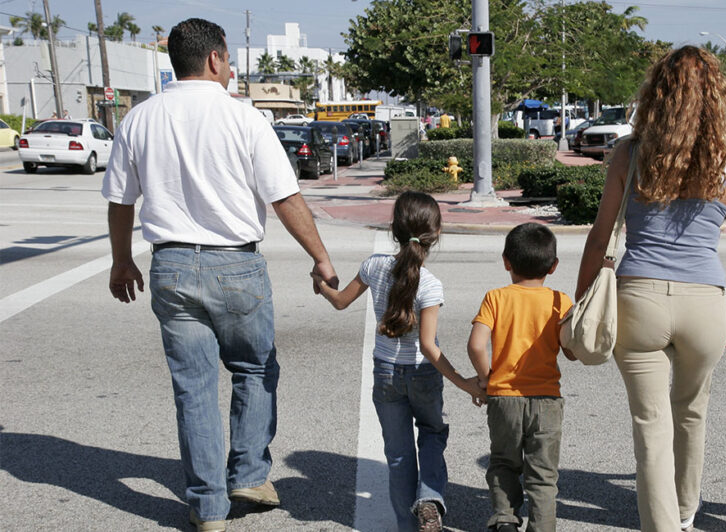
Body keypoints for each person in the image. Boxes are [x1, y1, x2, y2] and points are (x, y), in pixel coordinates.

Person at [102, 18, 338, 532]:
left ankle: (208, 508)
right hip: (236, 263)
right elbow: (284, 197)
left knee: (194, 387)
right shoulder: (245, 119)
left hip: (170, 264)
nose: (230, 68)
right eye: (228, 59)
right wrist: (319, 256)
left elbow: (121, 202)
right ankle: (249, 473)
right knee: (253, 370)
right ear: (214, 59)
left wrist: (123, 259)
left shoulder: (139, 119)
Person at [575, 45, 726, 532]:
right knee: (691, 413)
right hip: (705, 303)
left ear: (656, 94)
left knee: (650, 424)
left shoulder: (630, 154)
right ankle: (684, 514)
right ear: (718, 98)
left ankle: (661, 526)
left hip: (638, 297)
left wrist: (580, 306)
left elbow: (599, 239)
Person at [311, 191, 485, 532]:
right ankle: (430, 499)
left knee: (399, 454)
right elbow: (428, 347)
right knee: (433, 433)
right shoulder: (430, 285)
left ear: (394, 229)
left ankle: (407, 526)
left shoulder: (374, 266)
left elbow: (341, 301)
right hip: (422, 374)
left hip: (386, 373)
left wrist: (320, 285)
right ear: (437, 234)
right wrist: (465, 383)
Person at [467, 223, 574, 532]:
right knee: (543, 474)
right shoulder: (560, 301)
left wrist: (486, 379)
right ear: (553, 266)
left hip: (504, 400)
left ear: (506, 261)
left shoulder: (496, 298)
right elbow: (571, 351)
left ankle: (504, 519)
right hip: (547, 401)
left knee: (503, 463)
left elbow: (476, 344)